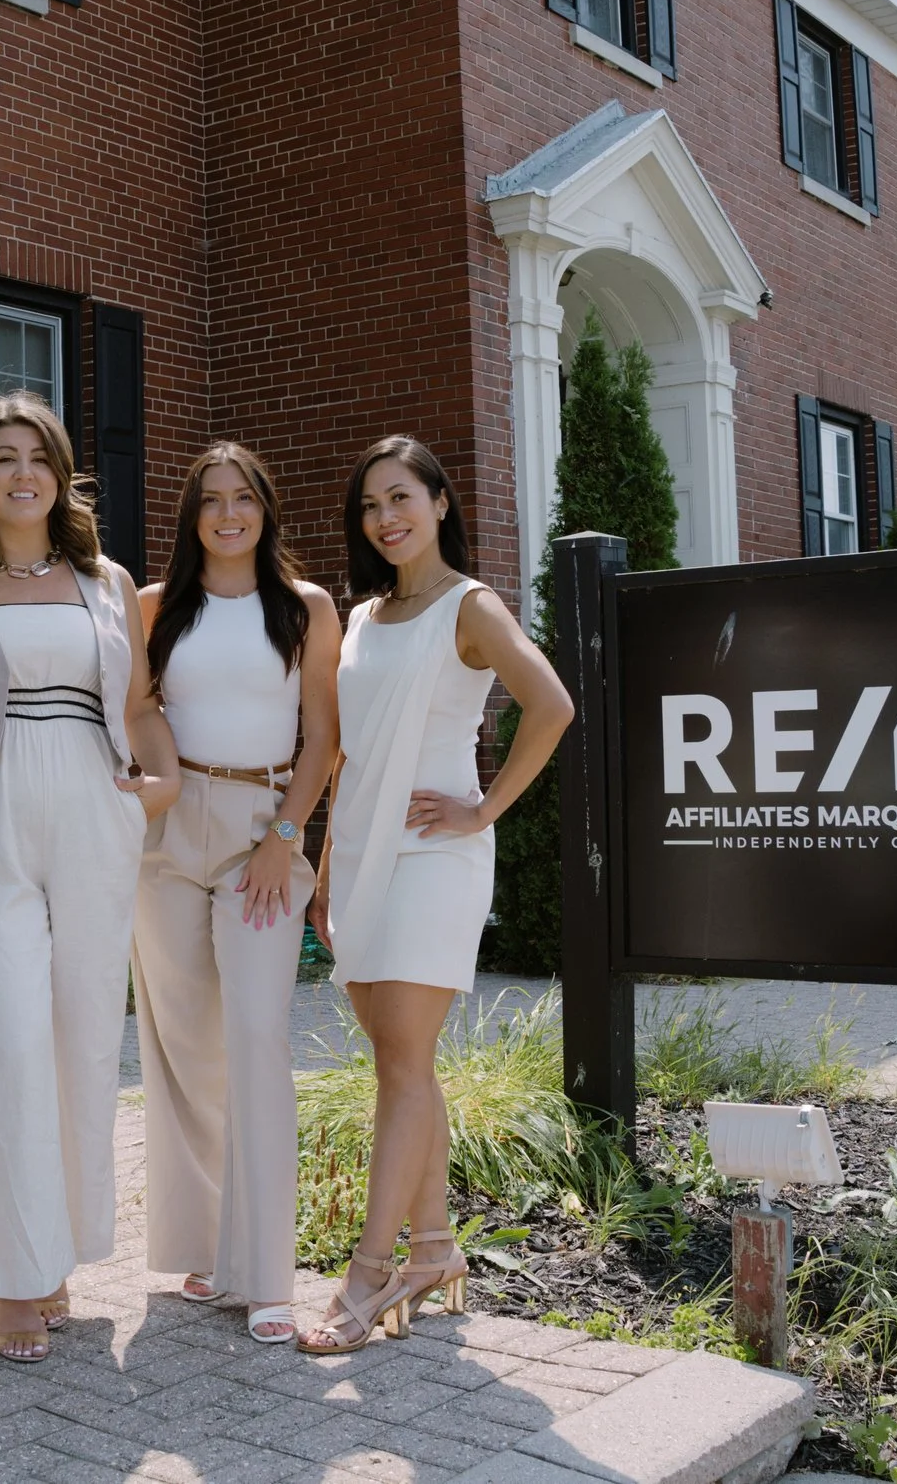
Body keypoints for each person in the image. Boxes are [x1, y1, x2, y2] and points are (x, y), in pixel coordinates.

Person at [0, 391, 178, 1363]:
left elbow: (135, 706)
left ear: (60, 475)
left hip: (94, 811)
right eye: (1, 456)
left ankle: (55, 1253)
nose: (21, 472)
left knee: (85, 1039)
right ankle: (10, 1276)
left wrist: (159, 774)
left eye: (37, 456)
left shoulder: (106, 581)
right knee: (6, 1042)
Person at [298, 436, 572, 1355]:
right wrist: (328, 860)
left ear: (441, 502)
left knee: (404, 1063)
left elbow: (553, 705)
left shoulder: (472, 606)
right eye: (371, 504)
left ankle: (367, 1276)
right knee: (399, 1064)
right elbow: (347, 751)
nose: (387, 517)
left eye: (402, 497)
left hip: (436, 854)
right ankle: (436, 1248)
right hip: (366, 855)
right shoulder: (363, 616)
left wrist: (484, 804)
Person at [133, 443, 339, 1344]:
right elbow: (136, 708)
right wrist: (163, 775)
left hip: (266, 824)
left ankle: (265, 1273)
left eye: (243, 498)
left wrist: (287, 837)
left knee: (256, 1037)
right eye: (211, 500)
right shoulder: (154, 607)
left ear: (265, 508)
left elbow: (324, 735)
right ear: (192, 515)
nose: (227, 514)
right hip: (171, 828)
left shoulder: (304, 609)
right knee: (180, 1042)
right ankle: (205, 1245)